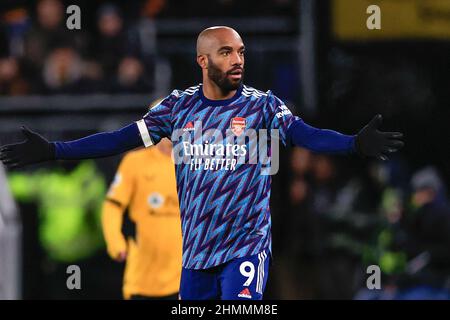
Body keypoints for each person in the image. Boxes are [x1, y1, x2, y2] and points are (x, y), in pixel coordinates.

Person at [0, 26, 404, 300]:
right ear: (203, 61)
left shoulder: (263, 106)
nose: (237, 60)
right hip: (195, 255)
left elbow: (307, 135)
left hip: (244, 248)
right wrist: (55, 150)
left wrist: (352, 144)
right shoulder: (177, 108)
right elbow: (118, 139)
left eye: (241, 52)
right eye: (226, 52)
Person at [102, 137, 182, 300]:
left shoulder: (195, 165)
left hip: (182, 279)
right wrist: (115, 242)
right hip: (142, 281)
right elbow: (112, 206)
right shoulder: (135, 162)